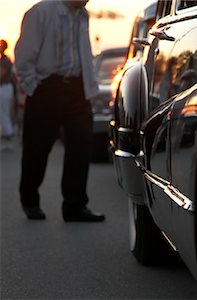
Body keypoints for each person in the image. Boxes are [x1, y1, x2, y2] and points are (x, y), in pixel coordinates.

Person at [15, 0, 105, 222]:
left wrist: (89, 89)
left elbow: (83, 53)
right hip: (46, 87)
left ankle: (74, 206)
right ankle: (30, 201)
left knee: (81, 144)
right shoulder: (41, 12)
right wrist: (34, 88)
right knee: (37, 147)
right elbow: (24, 54)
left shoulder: (83, 15)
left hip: (76, 88)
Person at [0, 39, 17, 148]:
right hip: (5, 88)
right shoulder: (3, 59)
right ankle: (7, 133)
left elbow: (2, 74)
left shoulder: (5, 60)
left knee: (4, 112)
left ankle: (8, 134)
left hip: (5, 88)